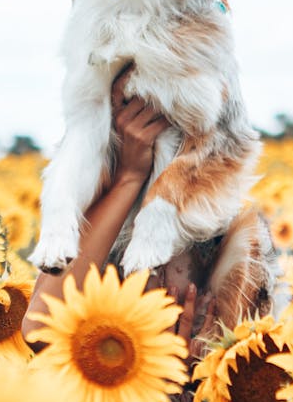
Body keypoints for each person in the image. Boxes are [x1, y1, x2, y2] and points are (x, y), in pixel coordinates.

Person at [21, 66, 277, 363]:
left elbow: (250, 359)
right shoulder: (86, 193)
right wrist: (128, 176)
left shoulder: (235, 233)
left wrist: (199, 369)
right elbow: (40, 329)